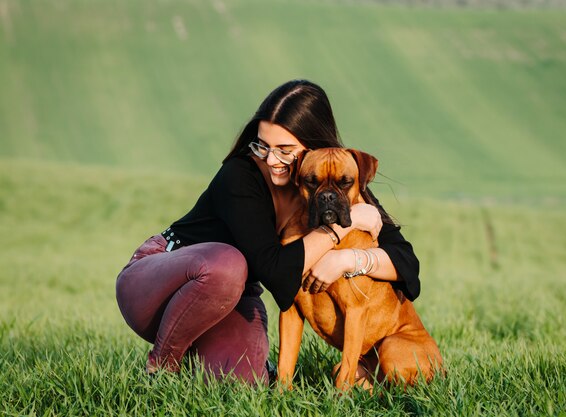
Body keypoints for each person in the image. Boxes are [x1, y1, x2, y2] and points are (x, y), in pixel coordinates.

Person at [115, 79, 421, 384]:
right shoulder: (240, 176)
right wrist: (344, 225)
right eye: (263, 146)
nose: (272, 160)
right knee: (228, 262)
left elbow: (406, 263)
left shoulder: (336, 174)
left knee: (244, 382)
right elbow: (277, 274)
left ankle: (199, 354)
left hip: (229, 300)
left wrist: (349, 261)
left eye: (285, 149)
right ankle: (161, 367)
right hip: (159, 283)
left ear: (311, 147)